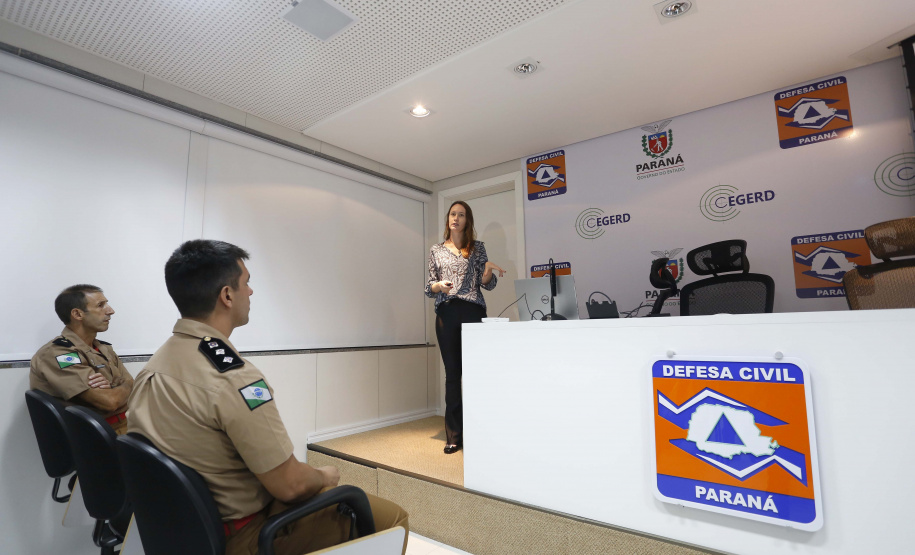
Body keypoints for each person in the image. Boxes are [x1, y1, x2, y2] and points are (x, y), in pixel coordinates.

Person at [127, 239, 409, 555]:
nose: (251, 292)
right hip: (245, 538)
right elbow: (290, 485)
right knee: (392, 518)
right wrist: (322, 475)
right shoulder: (234, 378)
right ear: (227, 295)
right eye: (246, 283)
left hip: (180, 536)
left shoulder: (153, 366)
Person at [425, 201, 504, 454]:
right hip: (447, 312)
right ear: (447, 219)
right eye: (452, 214)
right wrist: (440, 286)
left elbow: (486, 284)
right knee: (452, 376)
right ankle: (454, 436)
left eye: (461, 215)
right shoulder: (436, 250)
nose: (455, 218)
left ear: (467, 221)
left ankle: (480, 431)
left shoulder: (477, 248)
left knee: (476, 374)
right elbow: (429, 287)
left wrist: (489, 271)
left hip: (473, 312)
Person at [30, 284, 133, 434]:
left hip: (127, 425)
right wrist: (127, 384)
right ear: (78, 314)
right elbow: (110, 402)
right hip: (98, 435)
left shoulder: (103, 348)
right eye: (101, 305)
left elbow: (134, 386)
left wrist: (125, 384)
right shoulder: (60, 354)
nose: (111, 311)